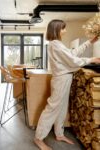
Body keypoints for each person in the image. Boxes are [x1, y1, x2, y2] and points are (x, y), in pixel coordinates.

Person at [34, 19, 100, 150]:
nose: (65, 30)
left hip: (64, 79)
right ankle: (38, 138)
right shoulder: (55, 44)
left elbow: (72, 53)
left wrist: (89, 42)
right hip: (61, 80)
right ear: (56, 29)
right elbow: (72, 60)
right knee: (52, 109)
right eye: (63, 28)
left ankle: (59, 134)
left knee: (62, 108)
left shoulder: (58, 44)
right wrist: (91, 59)